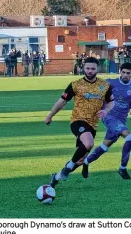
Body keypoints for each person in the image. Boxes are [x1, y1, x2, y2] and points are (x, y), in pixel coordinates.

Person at [45, 57, 114, 188]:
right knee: (89, 143)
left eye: (93, 68)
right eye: (87, 68)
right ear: (83, 68)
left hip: (93, 125)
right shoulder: (75, 85)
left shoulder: (104, 86)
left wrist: (106, 110)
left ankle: (57, 177)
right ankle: (68, 167)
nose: (89, 71)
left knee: (81, 160)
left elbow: (111, 102)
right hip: (78, 121)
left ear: (97, 69)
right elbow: (62, 101)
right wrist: (50, 115)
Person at [81, 62, 131, 180]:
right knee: (130, 138)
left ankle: (86, 161)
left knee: (104, 147)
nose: (125, 75)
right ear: (120, 71)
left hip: (121, 120)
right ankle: (122, 168)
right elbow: (96, 93)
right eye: (123, 72)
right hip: (108, 117)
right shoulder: (110, 83)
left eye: (128, 73)